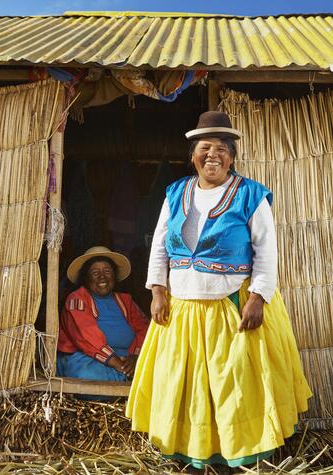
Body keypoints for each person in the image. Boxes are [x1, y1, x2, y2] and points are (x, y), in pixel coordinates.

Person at [126, 111, 312, 472]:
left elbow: (266, 251)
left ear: (232, 157)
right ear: (192, 154)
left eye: (222, 149)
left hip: (232, 306)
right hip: (183, 311)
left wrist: (258, 297)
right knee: (186, 385)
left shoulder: (250, 195)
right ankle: (192, 453)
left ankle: (239, 455)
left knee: (236, 386)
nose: (213, 155)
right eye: (205, 147)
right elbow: (160, 246)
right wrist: (158, 291)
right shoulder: (176, 192)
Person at [57, 246, 149, 382]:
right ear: (86, 278)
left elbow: (144, 328)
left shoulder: (126, 300)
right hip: (87, 359)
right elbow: (86, 335)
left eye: (107, 271)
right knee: (87, 375)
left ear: (114, 275)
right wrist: (120, 366)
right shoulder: (77, 299)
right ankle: (130, 381)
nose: (102, 277)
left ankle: (127, 379)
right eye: (95, 273)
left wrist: (136, 358)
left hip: (126, 359)